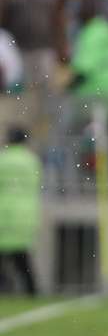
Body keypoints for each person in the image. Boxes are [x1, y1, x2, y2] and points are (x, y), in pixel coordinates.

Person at [0, 126, 41, 296]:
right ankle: (32, 292)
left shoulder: (3, 159)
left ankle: (5, 288)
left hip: (3, 212)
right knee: (23, 260)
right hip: (25, 214)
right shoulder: (32, 160)